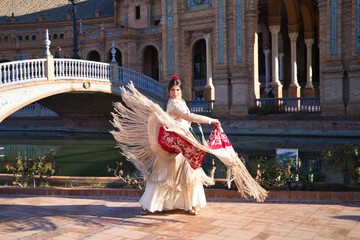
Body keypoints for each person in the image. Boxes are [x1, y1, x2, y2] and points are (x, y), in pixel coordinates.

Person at [110, 75, 267, 216]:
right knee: (164, 176)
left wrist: (187, 126)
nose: (175, 93)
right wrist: (210, 120)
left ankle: (190, 204)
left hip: (184, 143)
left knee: (189, 175)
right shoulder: (173, 104)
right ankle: (148, 205)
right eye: (172, 90)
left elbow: (184, 119)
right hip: (175, 145)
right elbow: (188, 116)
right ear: (169, 91)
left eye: (177, 90)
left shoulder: (180, 101)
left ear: (181, 90)